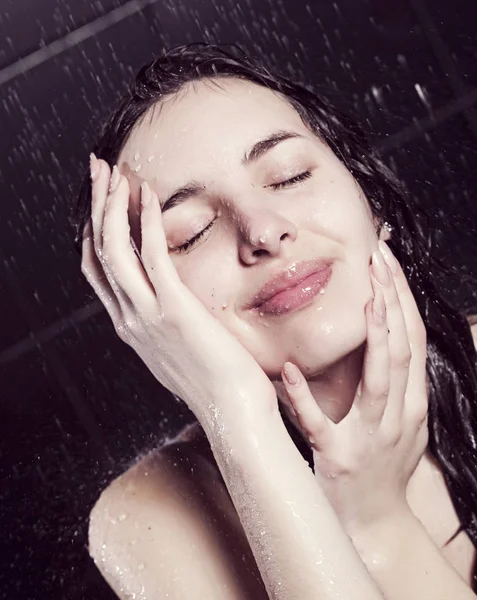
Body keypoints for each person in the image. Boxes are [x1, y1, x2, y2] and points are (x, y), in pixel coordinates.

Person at [74, 42, 477, 599]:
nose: (262, 230)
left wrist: (376, 521)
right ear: (147, 308)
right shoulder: (151, 515)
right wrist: (236, 417)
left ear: (370, 198)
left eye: (288, 175)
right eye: (189, 232)